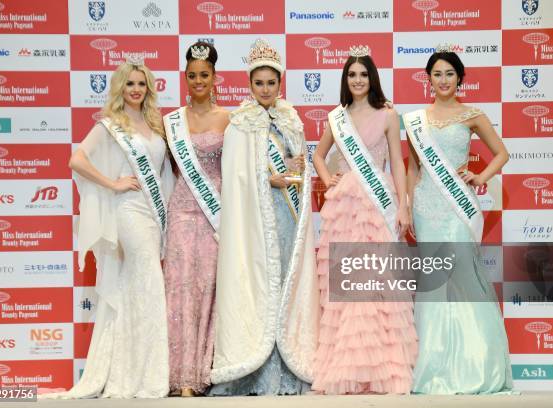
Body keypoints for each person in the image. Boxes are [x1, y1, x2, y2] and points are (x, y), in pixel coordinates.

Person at [41, 59, 173, 398]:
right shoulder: (111, 125)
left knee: (135, 288)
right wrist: (112, 184)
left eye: (141, 84)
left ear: (148, 88)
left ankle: (131, 368)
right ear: (120, 88)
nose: (135, 90)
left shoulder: (156, 124)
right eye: (129, 84)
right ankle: (146, 376)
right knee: (149, 281)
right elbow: (77, 159)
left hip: (153, 213)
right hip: (128, 211)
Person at [208, 39, 319, 396]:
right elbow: (236, 175)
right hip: (257, 218)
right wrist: (264, 178)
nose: (266, 89)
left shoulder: (291, 119)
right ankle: (257, 370)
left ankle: (287, 370)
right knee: (261, 285)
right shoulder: (241, 123)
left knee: (286, 281)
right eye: (259, 83)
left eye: (272, 83)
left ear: (280, 83)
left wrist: (299, 168)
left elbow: (299, 163)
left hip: (287, 213)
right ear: (250, 84)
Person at [403, 49, 512, 394]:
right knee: (434, 282)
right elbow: (412, 167)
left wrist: (481, 177)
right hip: (425, 205)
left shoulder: (472, 115)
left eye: (450, 73)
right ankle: (434, 365)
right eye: (437, 73)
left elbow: (502, 153)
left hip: (456, 206)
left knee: (464, 274)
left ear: (460, 78)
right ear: (428, 78)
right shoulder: (416, 119)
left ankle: (480, 362)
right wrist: (407, 203)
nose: (444, 80)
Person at [311, 46, 417, 394]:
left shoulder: (388, 115)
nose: (358, 80)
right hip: (345, 207)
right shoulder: (335, 117)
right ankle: (348, 367)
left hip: (379, 203)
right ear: (346, 79)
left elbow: (399, 164)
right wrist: (328, 179)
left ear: (372, 77)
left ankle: (381, 369)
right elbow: (317, 155)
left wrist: (402, 205)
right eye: (351, 74)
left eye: (363, 74)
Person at [162, 42, 229, 397]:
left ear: (215, 78)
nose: (198, 80)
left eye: (204, 75)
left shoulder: (228, 118)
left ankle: (206, 371)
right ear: (185, 79)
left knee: (210, 289)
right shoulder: (171, 121)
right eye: (192, 75)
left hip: (215, 213)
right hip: (182, 211)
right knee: (181, 289)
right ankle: (181, 376)